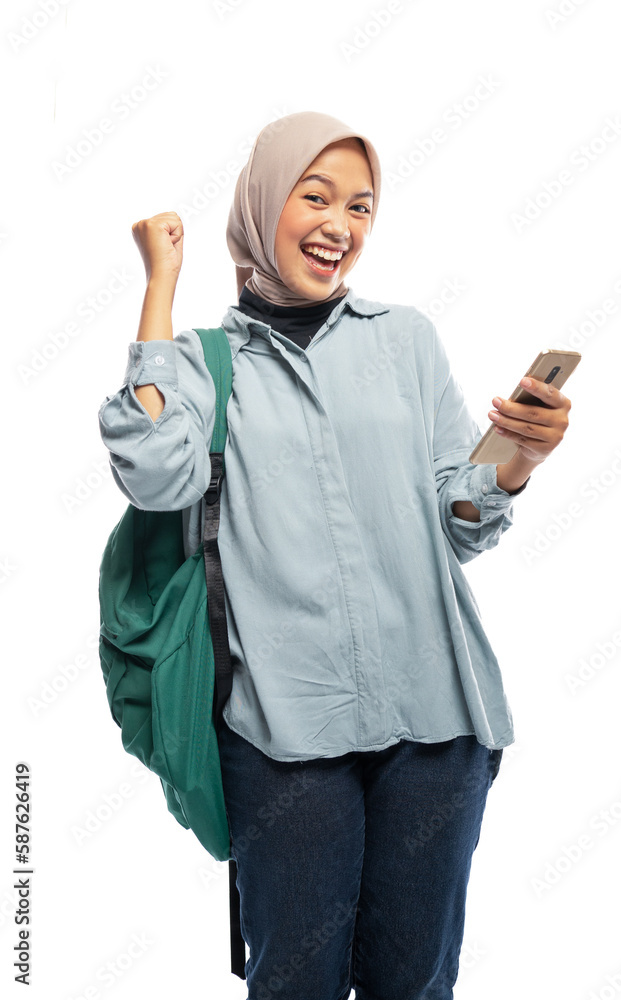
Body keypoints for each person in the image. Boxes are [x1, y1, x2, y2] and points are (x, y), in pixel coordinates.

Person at [98, 110, 571, 1000]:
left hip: (435, 722)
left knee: (415, 984)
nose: (339, 225)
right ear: (263, 204)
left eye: (360, 207)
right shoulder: (200, 364)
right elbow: (155, 475)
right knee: (295, 983)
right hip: (286, 733)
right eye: (315, 197)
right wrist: (160, 285)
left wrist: (520, 456)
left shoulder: (405, 338)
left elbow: (456, 519)